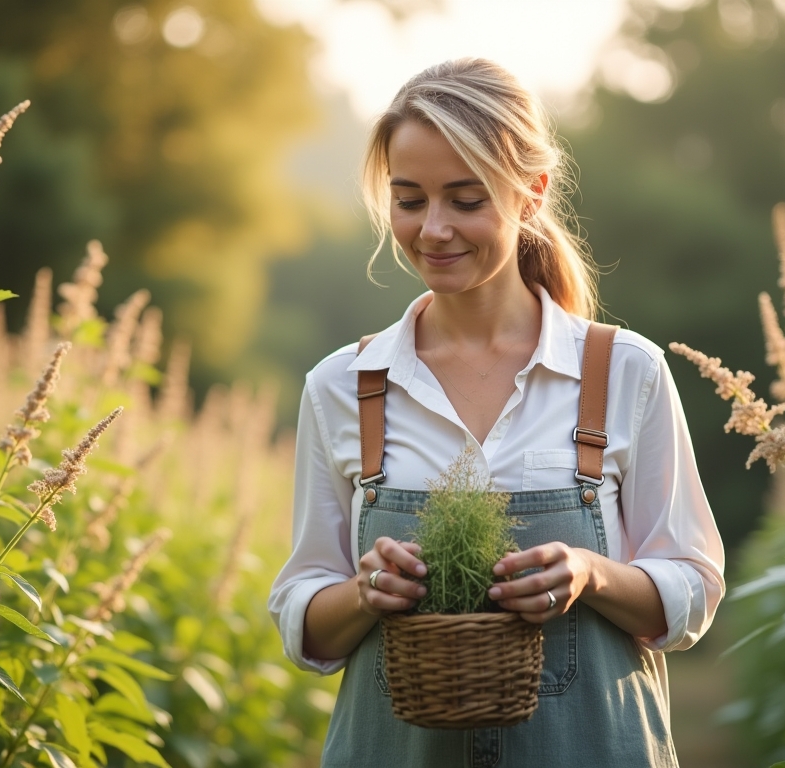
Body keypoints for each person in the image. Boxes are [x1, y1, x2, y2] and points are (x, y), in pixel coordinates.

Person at [268, 58, 724, 767]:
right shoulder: (343, 387)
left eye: (465, 200)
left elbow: (692, 592)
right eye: (409, 200)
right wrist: (364, 592)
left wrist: (590, 573)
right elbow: (307, 624)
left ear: (531, 194)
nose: (433, 229)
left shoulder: (623, 372)